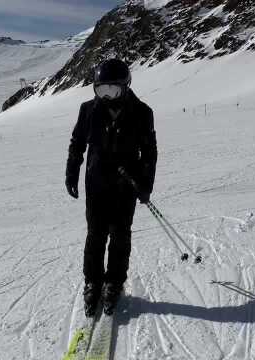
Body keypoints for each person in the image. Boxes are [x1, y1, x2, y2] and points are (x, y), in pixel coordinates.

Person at [65, 59, 157, 316]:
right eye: (101, 90)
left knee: (120, 235)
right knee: (95, 234)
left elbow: (149, 152)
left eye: (112, 91)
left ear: (126, 87)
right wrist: (72, 172)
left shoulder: (142, 112)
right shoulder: (88, 110)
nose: (107, 96)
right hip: (96, 182)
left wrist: (145, 183)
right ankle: (93, 281)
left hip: (126, 184)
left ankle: (114, 282)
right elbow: (77, 143)